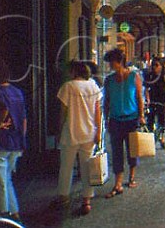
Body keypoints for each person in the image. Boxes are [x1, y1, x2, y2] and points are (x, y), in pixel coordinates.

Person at [51, 60, 103, 215]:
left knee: (66, 167)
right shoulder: (93, 86)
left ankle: (64, 197)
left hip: (71, 133)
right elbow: (97, 111)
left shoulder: (68, 86)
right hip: (89, 133)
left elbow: (63, 112)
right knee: (87, 167)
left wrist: (59, 131)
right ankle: (87, 200)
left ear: (74, 71)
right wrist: (98, 132)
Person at [0, 58, 27, 223]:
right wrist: (22, 139)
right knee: (7, 179)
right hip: (16, 141)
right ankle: (14, 213)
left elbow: (3, 108)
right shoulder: (18, 92)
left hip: (0, 141)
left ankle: (3, 216)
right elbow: (23, 119)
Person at [103, 48, 145, 198]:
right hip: (115, 119)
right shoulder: (109, 80)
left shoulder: (134, 76)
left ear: (119, 62)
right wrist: (105, 118)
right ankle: (118, 183)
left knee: (132, 149)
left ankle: (132, 177)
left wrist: (141, 115)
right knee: (116, 152)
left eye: (111, 62)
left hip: (132, 119)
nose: (109, 66)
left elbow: (139, 97)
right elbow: (106, 101)